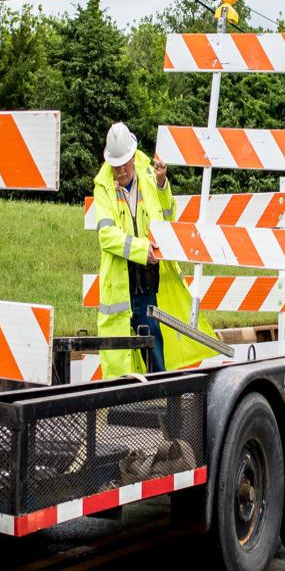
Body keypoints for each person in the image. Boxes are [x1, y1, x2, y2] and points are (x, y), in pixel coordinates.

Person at [92, 122, 218, 379]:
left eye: (125, 164)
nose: (121, 171)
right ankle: (129, 400)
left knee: (152, 340)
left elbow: (168, 216)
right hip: (122, 279)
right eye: (116, 166)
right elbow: (106, 236)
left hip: (148, 278)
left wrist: (162, 186)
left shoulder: (148, 174)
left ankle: (160, 399)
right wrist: (140, 249)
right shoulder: (103, 186)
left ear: (132, 156)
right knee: (122, 352)